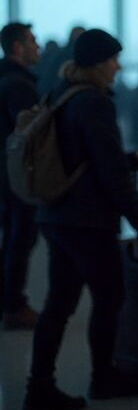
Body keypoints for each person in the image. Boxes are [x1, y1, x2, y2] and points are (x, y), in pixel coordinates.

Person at [23, 29, 138, 410]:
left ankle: (39, 385)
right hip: (88, 221)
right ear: (99, 63)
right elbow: (108, 173)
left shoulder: (61, 94)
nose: (118, 66)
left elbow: (84, 157)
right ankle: (104, 377)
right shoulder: (95, 103)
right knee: (110, 297)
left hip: (57, 215)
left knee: (59, 303)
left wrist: (132, 159)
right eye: (114, 59)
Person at [0, 23, 41, 331]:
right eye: (31, 41)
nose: (36, 46)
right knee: (21, 236)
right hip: (17, 175)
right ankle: (14, 304)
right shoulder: (19, 85)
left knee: (13, 234)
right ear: (17, 47)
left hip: (5, 173)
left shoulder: (7, 79)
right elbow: (29, 134)